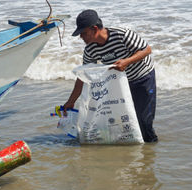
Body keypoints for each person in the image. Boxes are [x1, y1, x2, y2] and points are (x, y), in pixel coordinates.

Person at [63, 9, 158, 142]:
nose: (81, 37)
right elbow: (83, 76)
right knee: (125, 121)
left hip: (142, 77)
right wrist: (71, 101)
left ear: (95, 29)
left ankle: (150, 150)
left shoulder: (122, 34)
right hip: (121, 84)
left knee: (143, 120)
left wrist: (127, 61)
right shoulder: (90, 49)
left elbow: (147, 50)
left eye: (83, 33)